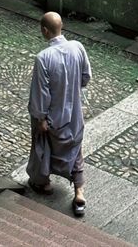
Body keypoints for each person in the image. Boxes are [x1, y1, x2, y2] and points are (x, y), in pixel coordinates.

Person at [27, 11, 92, 217]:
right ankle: (79, 192)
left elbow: (41, 92)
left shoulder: (43, 58)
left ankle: (43, 182)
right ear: (62, 25)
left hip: (53, 118)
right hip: (74, 114)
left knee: (42, 145)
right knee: (75, 150)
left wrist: (40, 117)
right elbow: (85, 77)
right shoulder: (77, 47)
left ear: (44, 31)